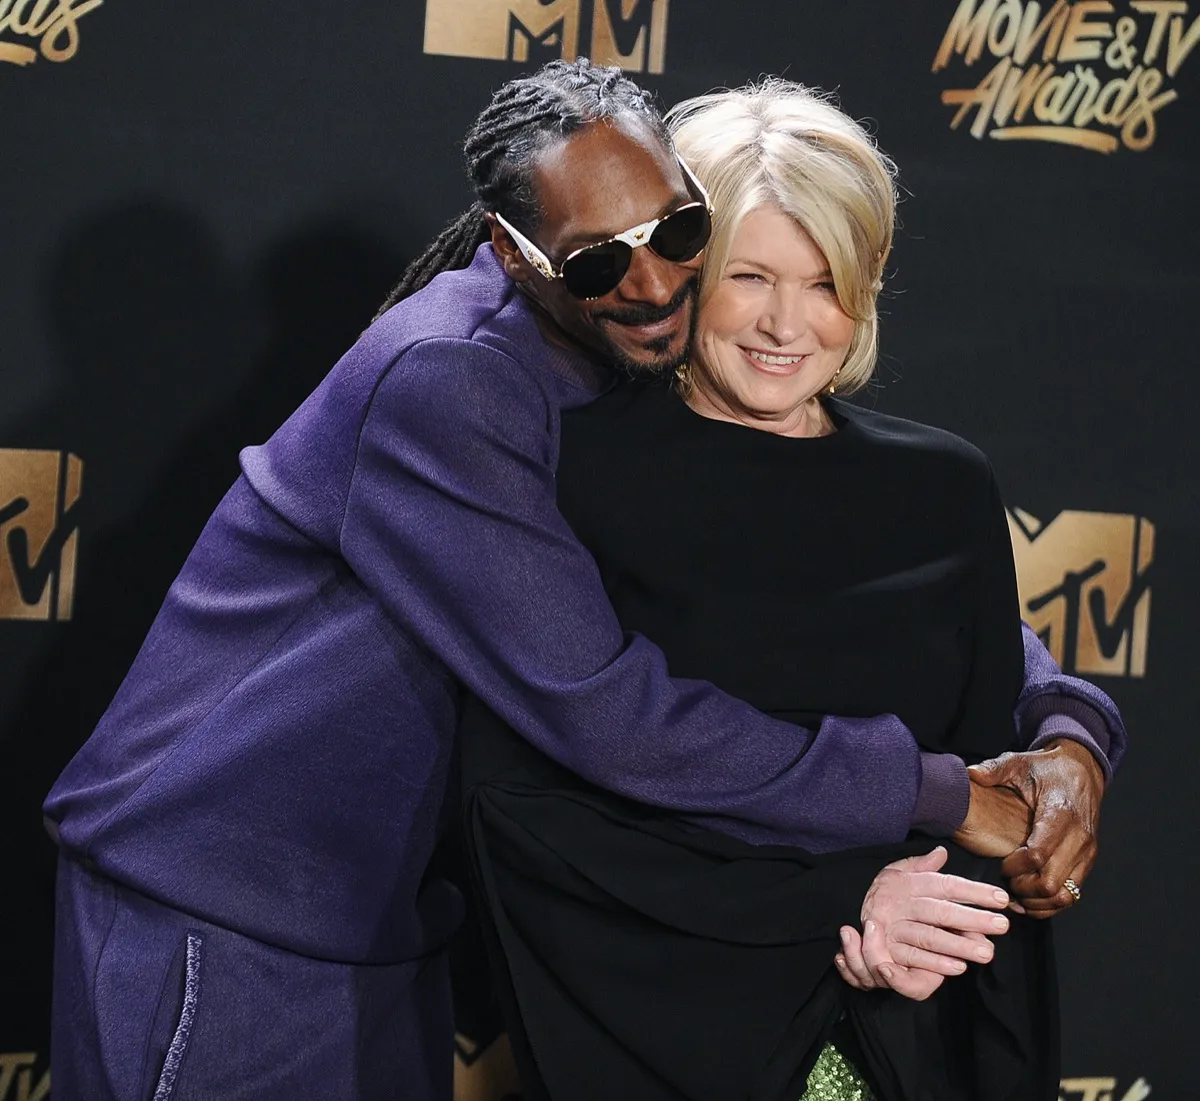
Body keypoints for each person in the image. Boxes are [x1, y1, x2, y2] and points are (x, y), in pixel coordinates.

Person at [42, 61, 1121, 1101]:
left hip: (370, 914)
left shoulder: (622, 369)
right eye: (602, 262)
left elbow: (915, 604)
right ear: (516, 257)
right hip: (221, 907)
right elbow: (609, 713)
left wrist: (1067, 725)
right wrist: (947, 794)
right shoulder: (464, 385)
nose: (651, 283)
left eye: (679, 236)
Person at [459, 77, 1123, 1101]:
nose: (786, 323)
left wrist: (945, 907)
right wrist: (840, 910)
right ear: (685, 269)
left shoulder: (943, 488)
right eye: (750, 276)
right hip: (680, 1031)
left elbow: (991, 775)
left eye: (825, 281)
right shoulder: (575, 477)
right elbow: (532, 808)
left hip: (926, 1026)